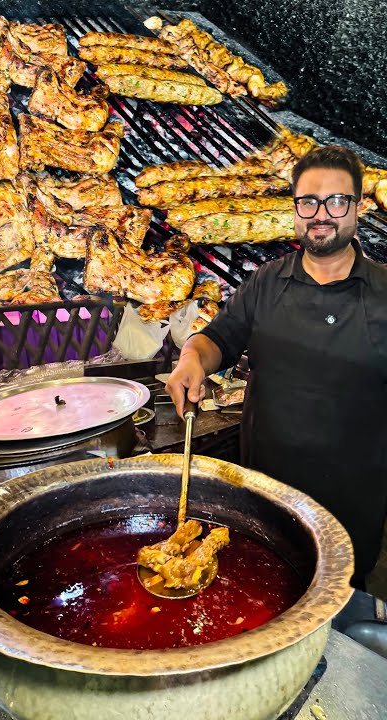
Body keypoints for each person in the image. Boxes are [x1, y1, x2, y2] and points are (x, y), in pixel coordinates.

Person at [166, 145, 387, 589]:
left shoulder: (384, 291)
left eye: (337, 201)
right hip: (266, 492)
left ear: (358, 207)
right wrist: (192, 356)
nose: (321, 213)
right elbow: (218, 339)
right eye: (308, 201)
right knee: (262, 587)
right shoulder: (268, 281)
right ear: (295, 209)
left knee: (336, 603)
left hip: (351, 504)